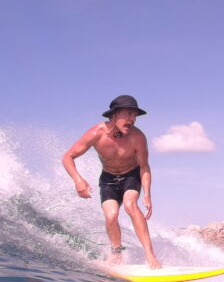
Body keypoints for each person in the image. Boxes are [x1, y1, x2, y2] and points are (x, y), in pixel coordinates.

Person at [62, 94, 161, 268]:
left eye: (135, 116)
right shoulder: (96, 133)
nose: (132, 119)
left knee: (131, 205)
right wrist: (78, 180)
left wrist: (147, 194)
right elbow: (68, 157)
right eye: (128, 114)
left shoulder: (138, 137)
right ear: (113, 114)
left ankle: (150, 255)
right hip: (108, 179)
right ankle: (116, 253)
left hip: (131, 175)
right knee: (111, 215)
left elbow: (144, 168)